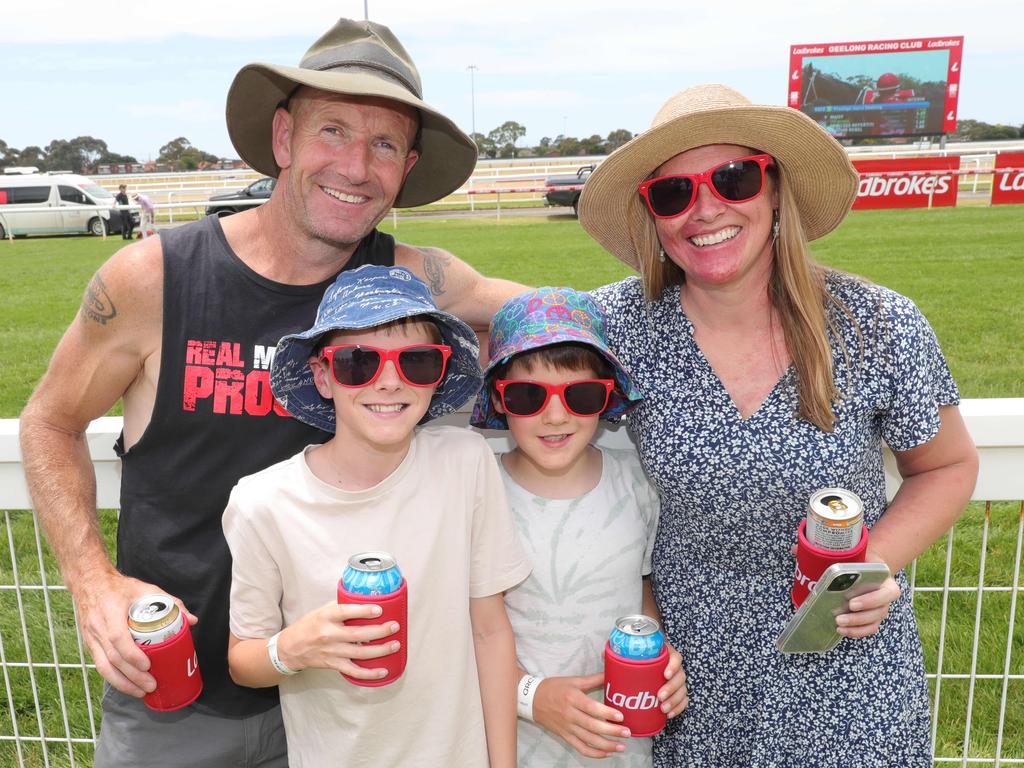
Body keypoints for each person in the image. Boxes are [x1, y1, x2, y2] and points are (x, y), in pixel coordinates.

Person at [18, 18, 525, 768]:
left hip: (343, 706)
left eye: (383, 144)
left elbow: (540, 312)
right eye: (334, 132)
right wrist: (91, 582)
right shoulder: (156, 279)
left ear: (407, 167)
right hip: (178, 692)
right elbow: (48, 422)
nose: (356, 165)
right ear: (284, 139)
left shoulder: (406, 287)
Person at [577, 84, 978, 767]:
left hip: (846, 661)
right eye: (673, 194)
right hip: (693, 678)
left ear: (774, 191)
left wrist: (872, 566)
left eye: (732, 178)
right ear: (654, 214)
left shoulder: (877, 323)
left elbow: (946, 464)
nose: (704, 210)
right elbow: (513, 324)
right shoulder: (617, 327)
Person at [224, 264, 529, 766]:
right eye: (357, 363)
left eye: (417, 362)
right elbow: (244, 660)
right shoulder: (263, 503)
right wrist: (292, 649)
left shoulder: (465, 461)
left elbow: (490, 630)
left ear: (440, 375)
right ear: (323, 376)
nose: (388, 383)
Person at [471, 287, 689, 766]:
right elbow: (464, 632)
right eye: (528, 396)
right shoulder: (477, 492)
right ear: (498, 399)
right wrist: (531, 696)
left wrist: (660, 656)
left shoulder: (636, 483)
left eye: (580, 395)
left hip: (623, 746)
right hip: (517, 745)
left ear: (606, 398)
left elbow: (639, 587)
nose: (554, 416)